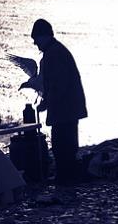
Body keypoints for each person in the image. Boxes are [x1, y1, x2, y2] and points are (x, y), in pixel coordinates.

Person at [31, 19, 87, 184]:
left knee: (62, 144)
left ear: (44, 36)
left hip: (65, 108)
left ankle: (66, 177)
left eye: (36, 38)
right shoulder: (55, 51)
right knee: (66, 143)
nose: (35, 43)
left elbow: (58, 84)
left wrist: (47, 102)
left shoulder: (54, 54)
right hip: (68, 107)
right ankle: (68, 176)